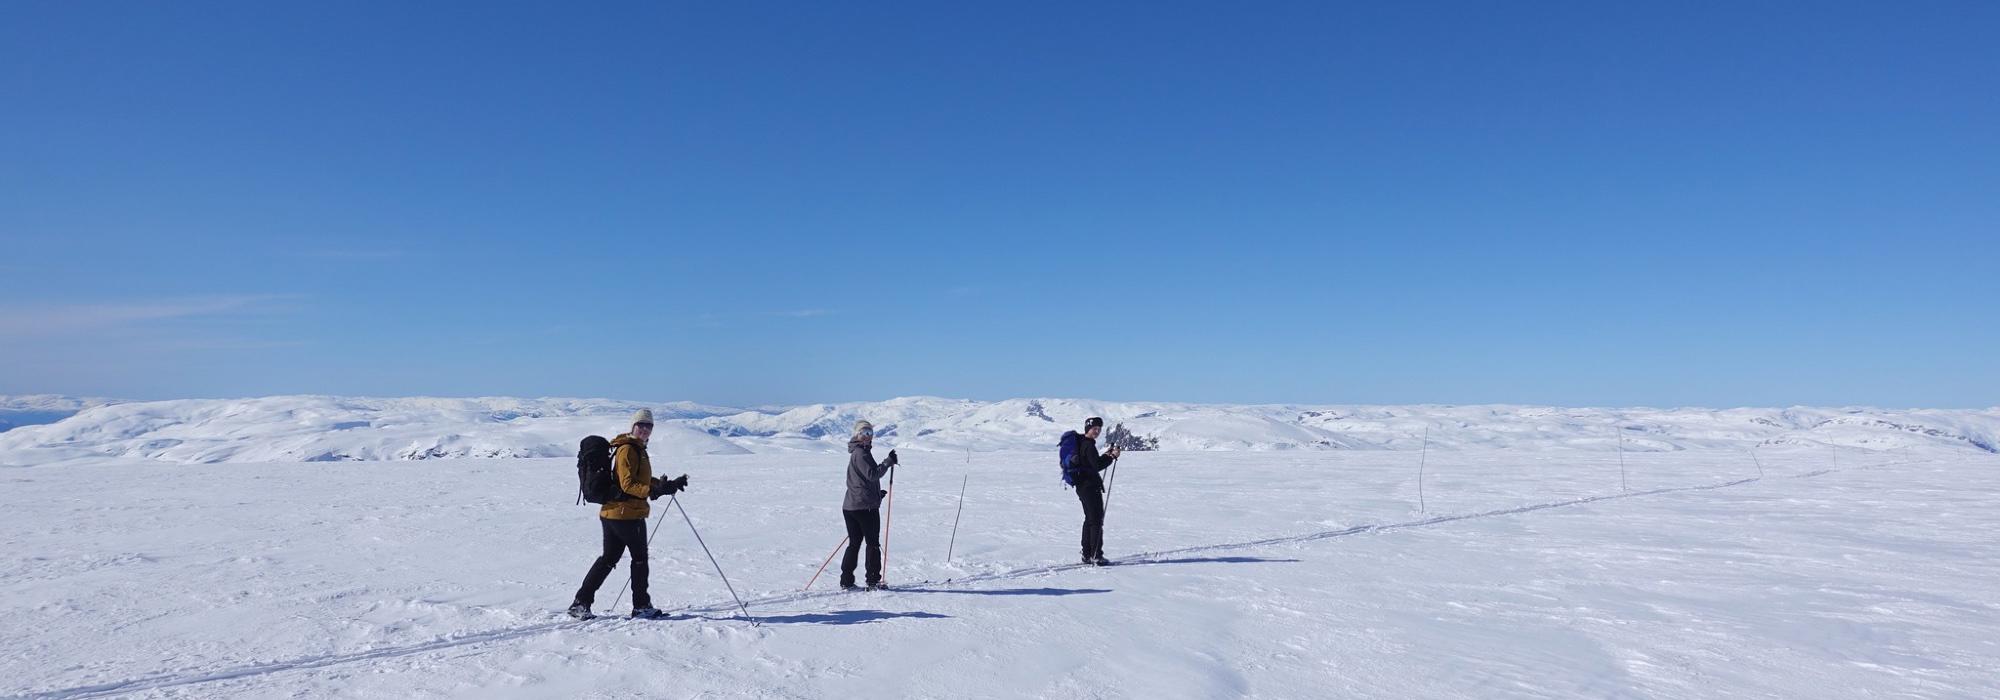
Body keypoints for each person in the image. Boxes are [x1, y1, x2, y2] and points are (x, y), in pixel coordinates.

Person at [568, 409, 688, 619]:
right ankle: (641, 606)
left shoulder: (636, 448)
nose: (644, 429)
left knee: (608, 558)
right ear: (632, 426)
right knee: (639, 559)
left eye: (648, 426)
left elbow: (638, 480)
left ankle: (581, 603)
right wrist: (653, 490)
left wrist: (663, 485)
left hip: (615, 513)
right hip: (627, 514)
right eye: (640, 425)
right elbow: (628, 484)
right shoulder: (628, 450)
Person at [839, 420, 899, 590]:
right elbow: (873, 475)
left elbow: (861, 481)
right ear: (857, 434)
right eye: (864, 433)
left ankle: (846, 580)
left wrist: (876, 494)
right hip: (864, 507)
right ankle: (873, 581)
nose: (867, 437)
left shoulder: (856, 453)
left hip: (851, 506)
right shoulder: (862, 454)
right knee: (872, 543)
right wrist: (888, 462)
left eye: (870, 433)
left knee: (855, 542)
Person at [1070, 416, 1121, 566]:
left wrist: (1107, 455)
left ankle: (1087, 554)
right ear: (1088, 429)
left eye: (1099, 429)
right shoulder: (1088, 445)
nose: (1097, 431)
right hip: (1089, 487)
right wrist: (1111, 457)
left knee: (1090, 519)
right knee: (1096, 521)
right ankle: (1096, 555)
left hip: (1082, 486)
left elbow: (1092, 462)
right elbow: (1096, 465)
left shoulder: (1082, 443)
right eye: (1094, 429)